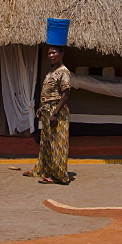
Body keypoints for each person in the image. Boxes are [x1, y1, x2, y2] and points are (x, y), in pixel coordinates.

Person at [24, 45, 71, 184]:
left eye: (53, 53)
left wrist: (55, 113)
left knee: (58, 143)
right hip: (47, 110)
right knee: (46, 142)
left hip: (56, 111)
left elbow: (66, 93)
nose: (50, 55)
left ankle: (58, 176)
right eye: (49, 53)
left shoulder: (64, 71)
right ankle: (43, 170)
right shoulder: (52, 71)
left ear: (61, 53)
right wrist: (42, 107)